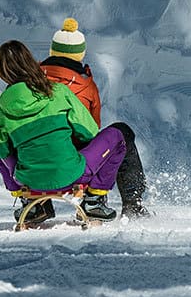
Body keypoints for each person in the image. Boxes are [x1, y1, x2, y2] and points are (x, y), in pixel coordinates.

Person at [0, 40, 126, 223]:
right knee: (117, 136)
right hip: (73, 174)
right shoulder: (58, 91)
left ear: (1, 71)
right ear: (31, 62)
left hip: (28, 180)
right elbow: (89, 132)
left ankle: (30, 202)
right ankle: (94, 199)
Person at [40, 18, 150, 218]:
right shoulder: (85, 86)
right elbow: (90, 130)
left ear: (52, 51)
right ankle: (132, 204)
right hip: (73, 167)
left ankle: (40, 205)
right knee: (122, 134)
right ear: (80, 54)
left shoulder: (28, 82)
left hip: (32, 167)